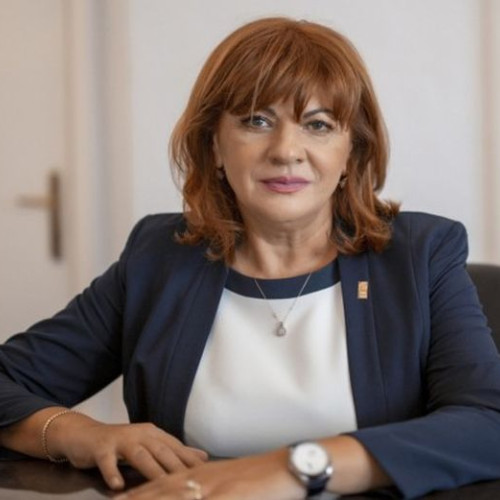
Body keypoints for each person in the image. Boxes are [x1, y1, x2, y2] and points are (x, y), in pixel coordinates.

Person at [0, 16, 499, 500]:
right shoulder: (159, 258)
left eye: (318, 124)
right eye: (256, 121)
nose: (286, 151)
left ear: (352, 152)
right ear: (215, 145)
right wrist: (79, 432)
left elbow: (488, 423)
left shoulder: (419, 256)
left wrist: (290, 469)